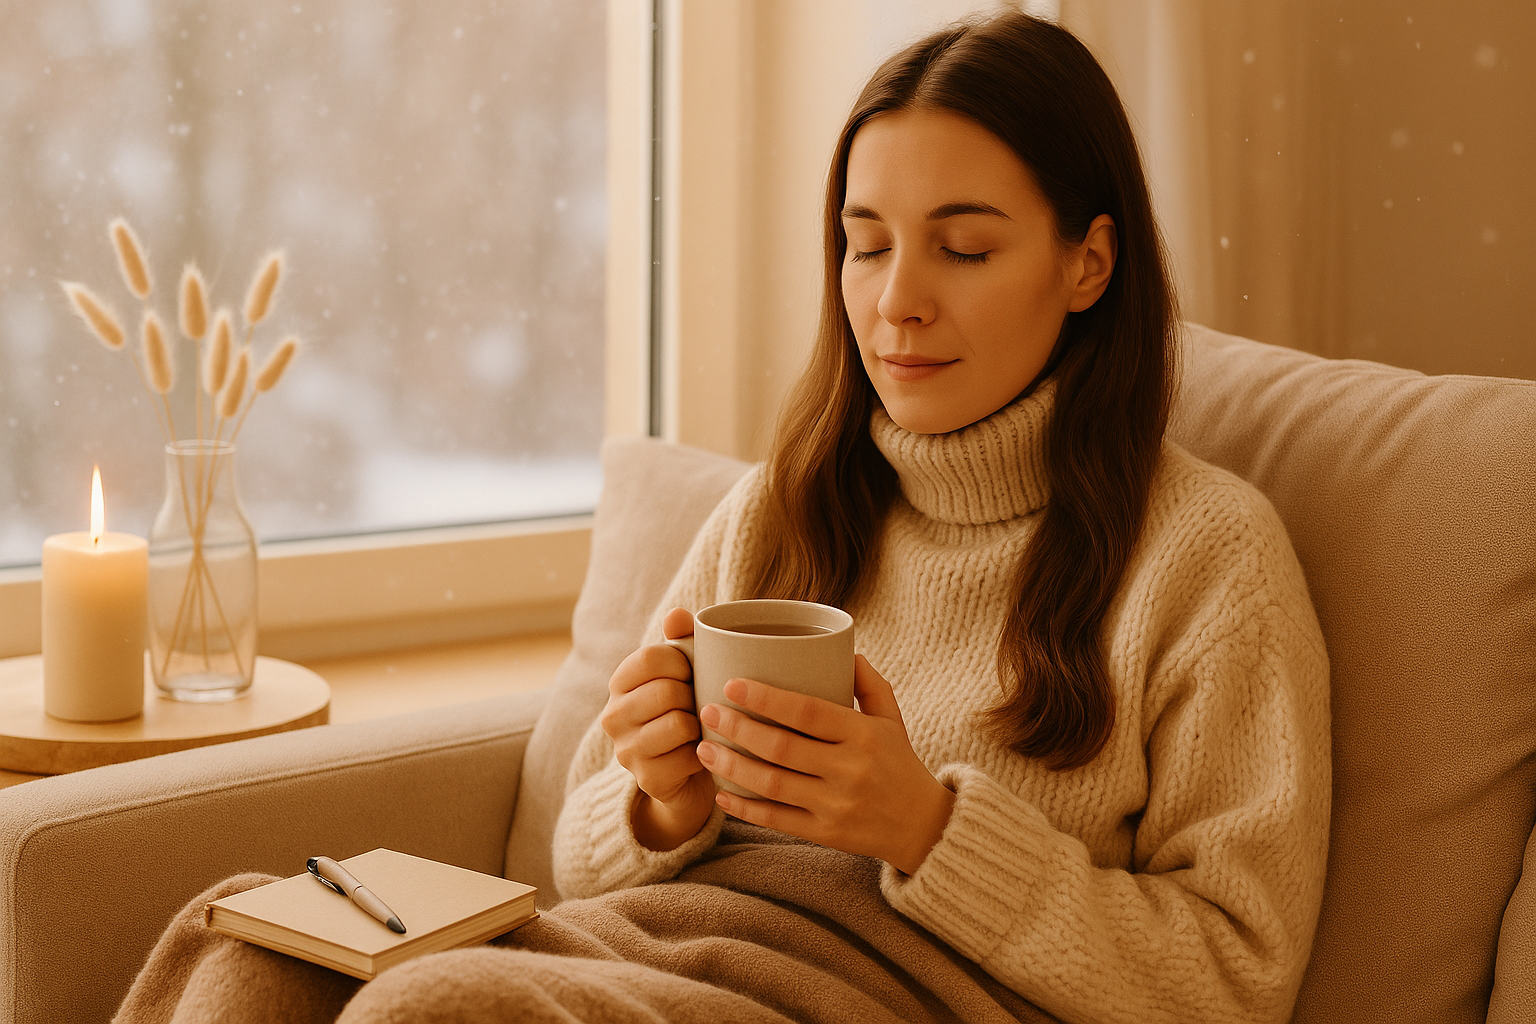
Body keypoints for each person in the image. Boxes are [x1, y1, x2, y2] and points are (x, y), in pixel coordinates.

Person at [116, 11, 1328, 1024]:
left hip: (862, 998)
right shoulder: (784, 504)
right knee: (252, 947)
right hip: (638, 953)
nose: (896, 301)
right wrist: (657, 798)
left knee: (435, 1011)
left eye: (961, 247)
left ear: (1089, 263)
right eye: (864, 246)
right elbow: (574, 862)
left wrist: (929, 827)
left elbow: (1234, 972)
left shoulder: (1205, 559)